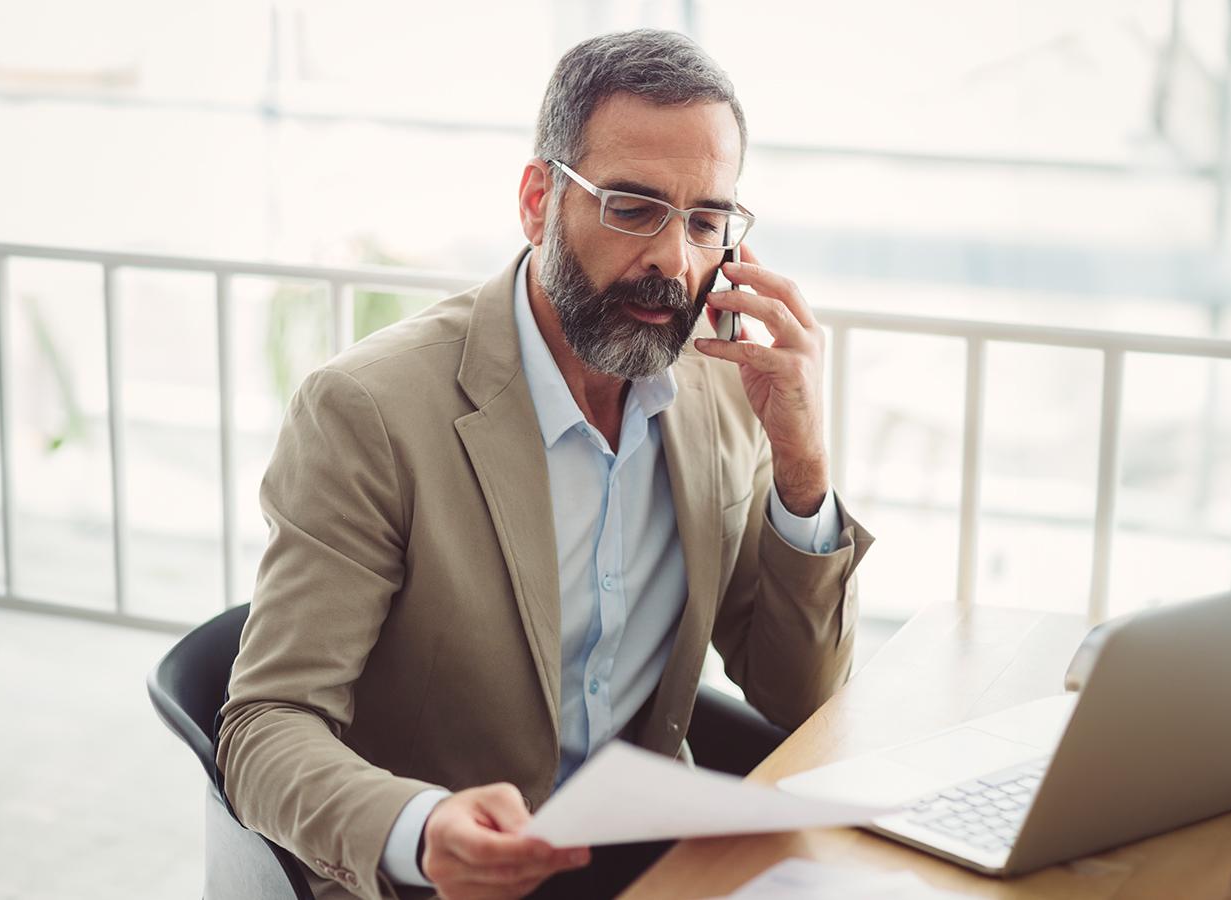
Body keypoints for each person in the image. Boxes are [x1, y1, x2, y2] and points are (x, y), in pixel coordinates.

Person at [216, 28, 874, 900]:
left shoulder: (723, 394)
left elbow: (800, 696)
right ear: (538, 202)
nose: (673, 262)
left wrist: (802, 460)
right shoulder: (369, 412)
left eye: (706, 220)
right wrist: (421, 829)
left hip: (645, 861)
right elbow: (266, 725)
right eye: (632, 208)